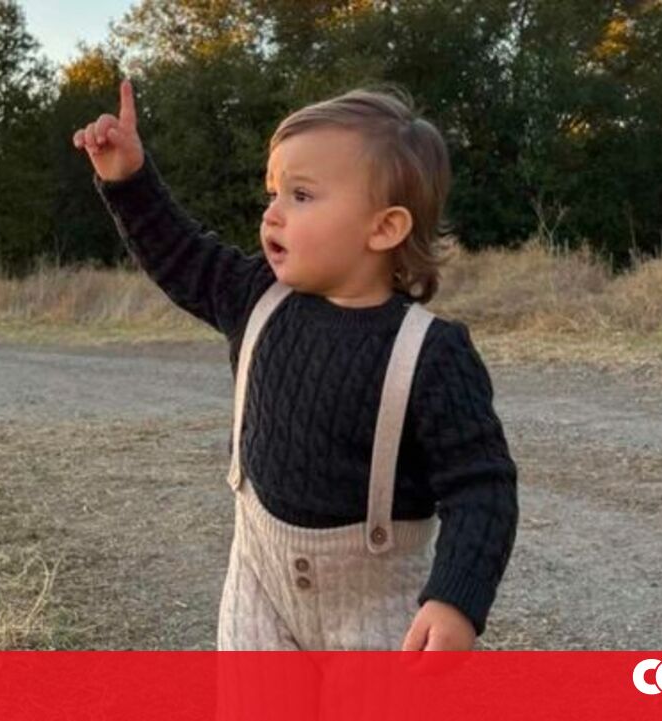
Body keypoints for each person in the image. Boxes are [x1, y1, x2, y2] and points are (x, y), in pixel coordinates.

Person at [72, 78, 518, 652]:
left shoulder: (431, 353)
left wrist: (455, 600)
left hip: (375, 607)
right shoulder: (255, 296)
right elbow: (180, 253)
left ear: (385, 227)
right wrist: (128, 180)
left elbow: (481, 486)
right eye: (273, 194)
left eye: (301, 195)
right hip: (259, 585)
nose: (273, 215)